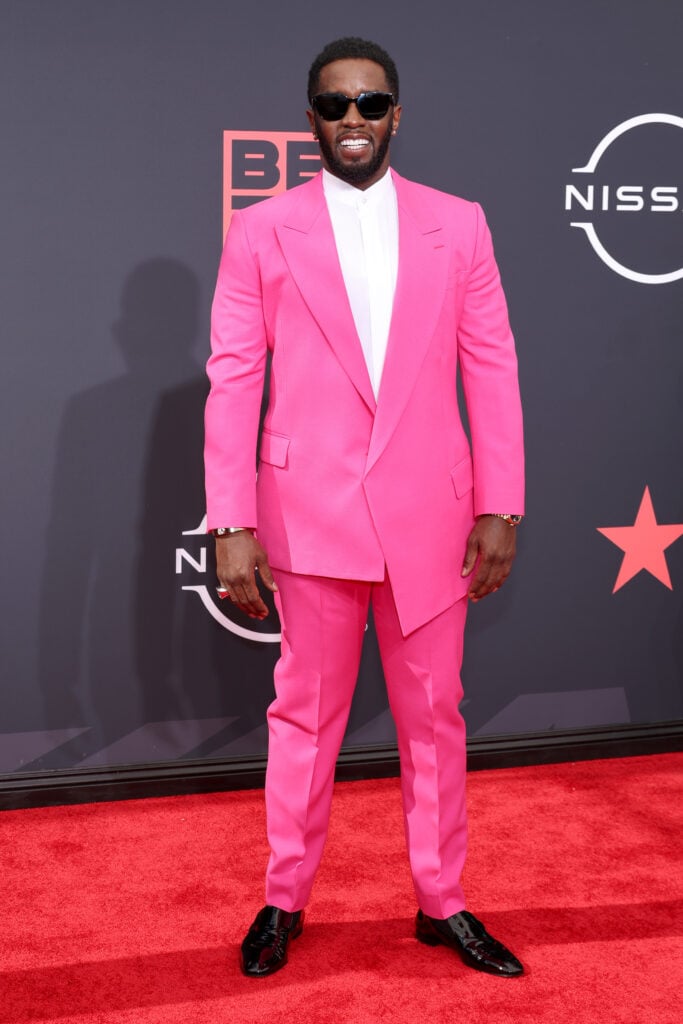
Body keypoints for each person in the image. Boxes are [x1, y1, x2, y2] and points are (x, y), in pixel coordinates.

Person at [205, 37, 525, 979]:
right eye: (334, 105)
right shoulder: (261, 229)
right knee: (303, 720)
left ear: (397, 113)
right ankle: (282, 898)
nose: (353, 120)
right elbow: (233, 379)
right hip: (309, 517)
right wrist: (231, 523)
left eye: (370, 103)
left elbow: (492, 367)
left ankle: (443, 902)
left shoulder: (458, 224)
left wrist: (501, 501)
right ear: (309, 118)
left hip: (433, 515)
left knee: (436, 719)